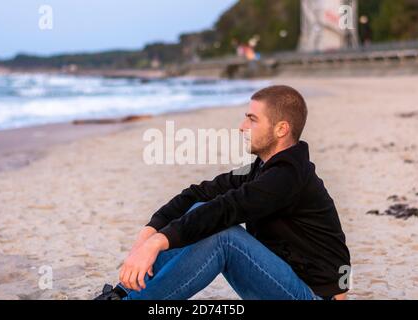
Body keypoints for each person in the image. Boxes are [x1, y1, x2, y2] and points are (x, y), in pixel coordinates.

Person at [95, 85, 351, 300]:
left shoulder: (287, 177)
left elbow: (226, 210)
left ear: (281, 129)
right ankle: (121, 293)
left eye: (252, 119)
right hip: (288, 282)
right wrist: (150, 232)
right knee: (198, 210)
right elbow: (199, 194)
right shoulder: (263, 169)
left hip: (314, 295)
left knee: (224, 236)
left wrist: (159, 243)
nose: (242, 126)